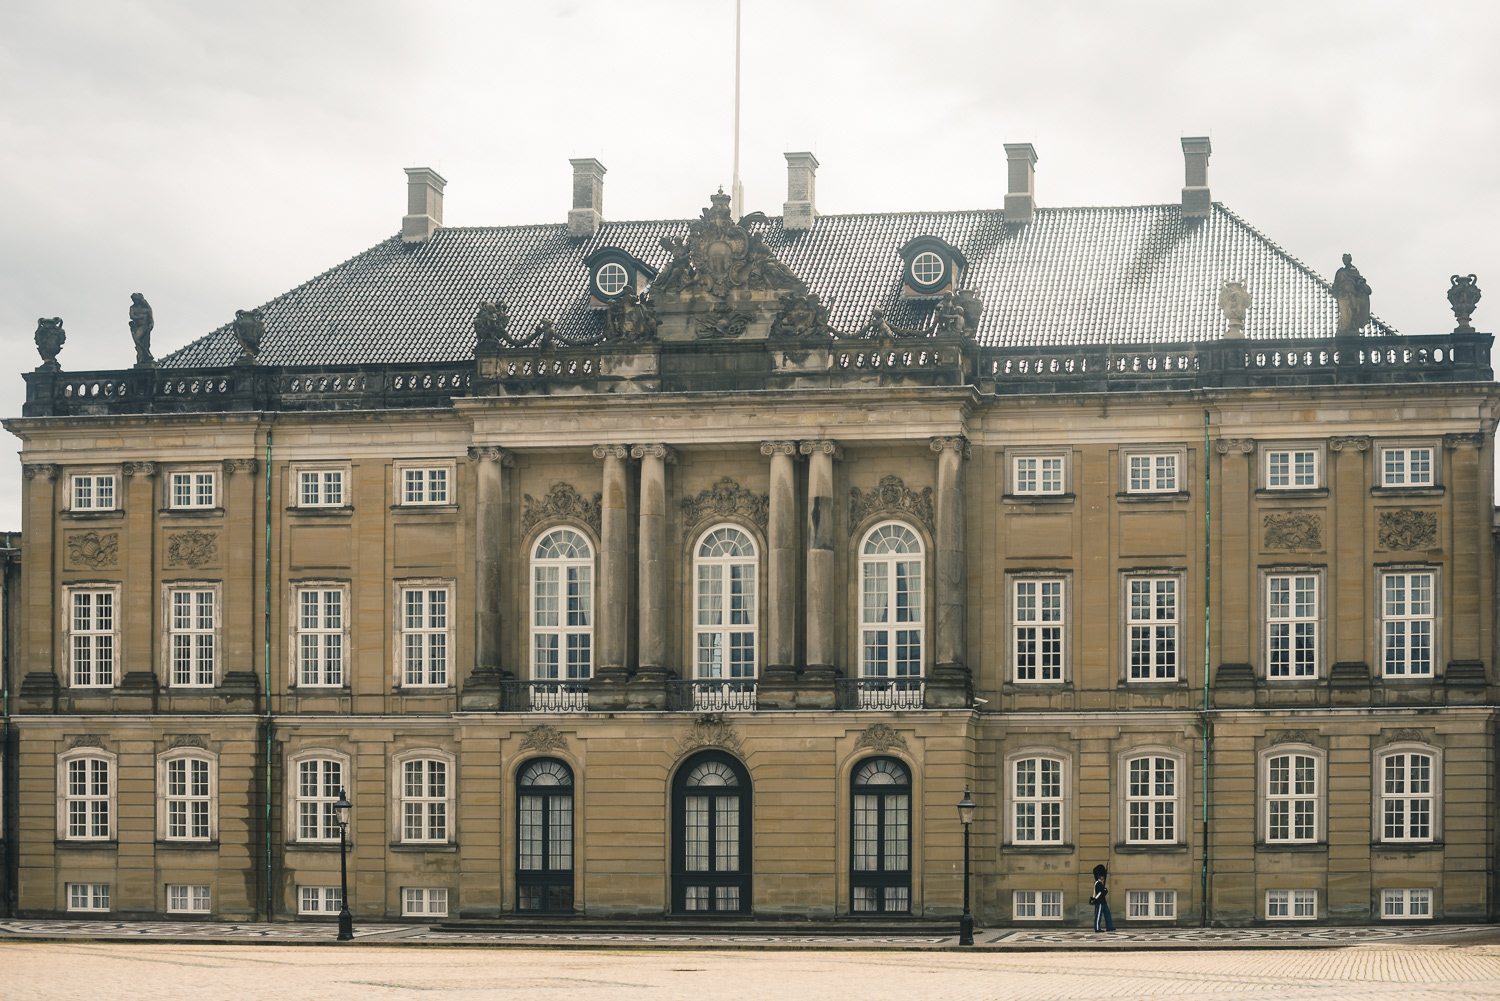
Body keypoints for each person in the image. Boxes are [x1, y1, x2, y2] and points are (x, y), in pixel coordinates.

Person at [1090, 863, 1114, 932]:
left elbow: (1103, 892)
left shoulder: (1100, 883)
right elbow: (1100, 892)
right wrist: (1105, 890)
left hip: (1103, 901)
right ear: (1099, 876)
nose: (1103, 877)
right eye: (1102, 876)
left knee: (1107, 913)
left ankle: (1109, 926)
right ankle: (1097, 928)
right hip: (1100, 901)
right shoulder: (1098, 883)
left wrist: (1104, 890)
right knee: (1098, 915)